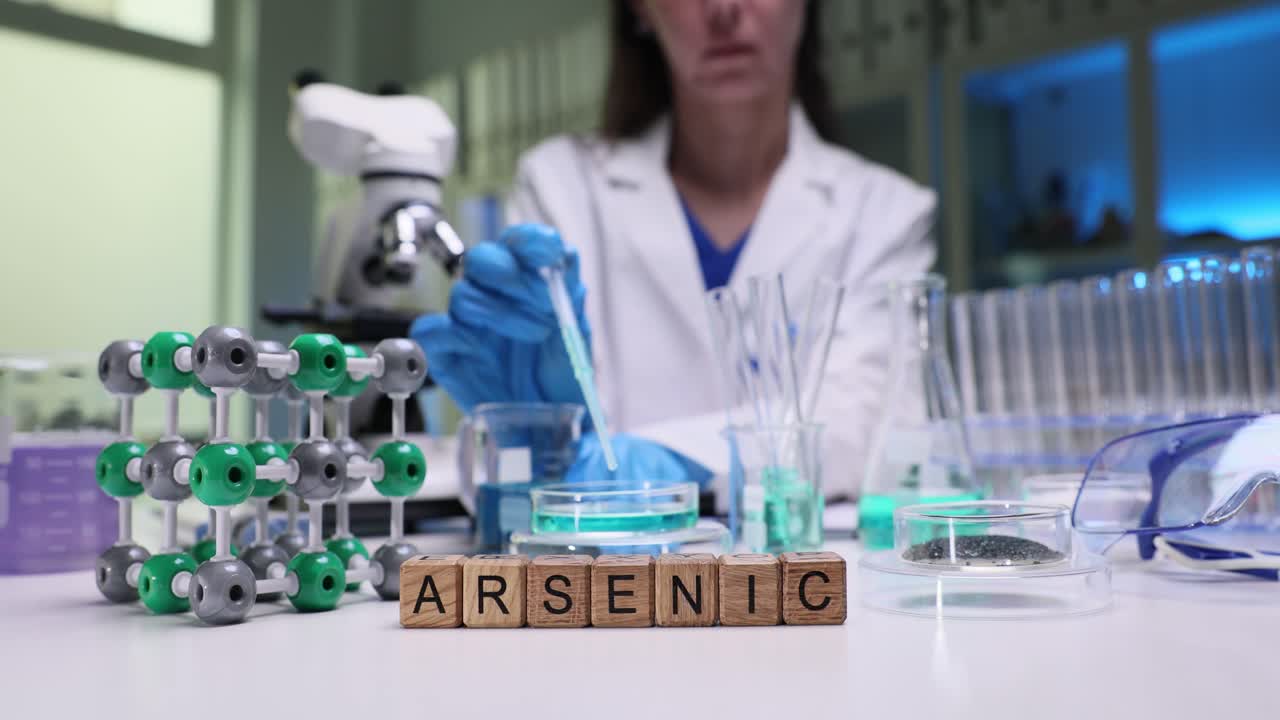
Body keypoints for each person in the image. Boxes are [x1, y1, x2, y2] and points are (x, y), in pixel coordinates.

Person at [413, 0, 936, 494]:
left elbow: (868, 423)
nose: (726, 10)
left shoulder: (884, 212)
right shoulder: (562, 186)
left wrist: (667, 457)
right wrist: (531, 427)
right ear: (640, 7)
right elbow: (543, 459)